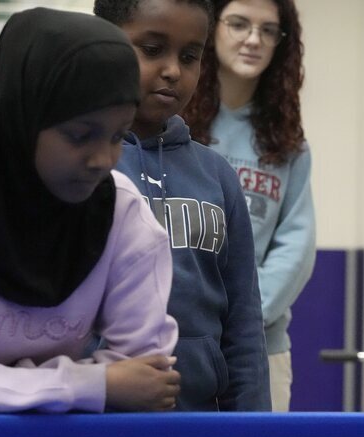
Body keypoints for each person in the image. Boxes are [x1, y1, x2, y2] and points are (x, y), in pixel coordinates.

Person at [0, 8, 180, 412]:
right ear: (21, 118)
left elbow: (145, 376)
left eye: (117, 135)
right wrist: (90, 384)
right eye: (80, 135)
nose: (102, 160)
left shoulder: (123, 215)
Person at [94, 0, 271, 412]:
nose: (173, 70)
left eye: (190, 56)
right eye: (152, 50)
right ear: (103, 47)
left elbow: (243, 323)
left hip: (200, 425)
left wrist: (254, 429)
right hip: (92, 426)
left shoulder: (217, 175)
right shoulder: (80, 167)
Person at [182, 0, 315, 412]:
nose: (253, 39)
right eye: (239, 24)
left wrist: (244, 321)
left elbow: (296, 243)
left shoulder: (289, 140)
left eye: (268, 30)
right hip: (180, 342)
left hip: (263, 347)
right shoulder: (175, 122)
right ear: (212, 29)